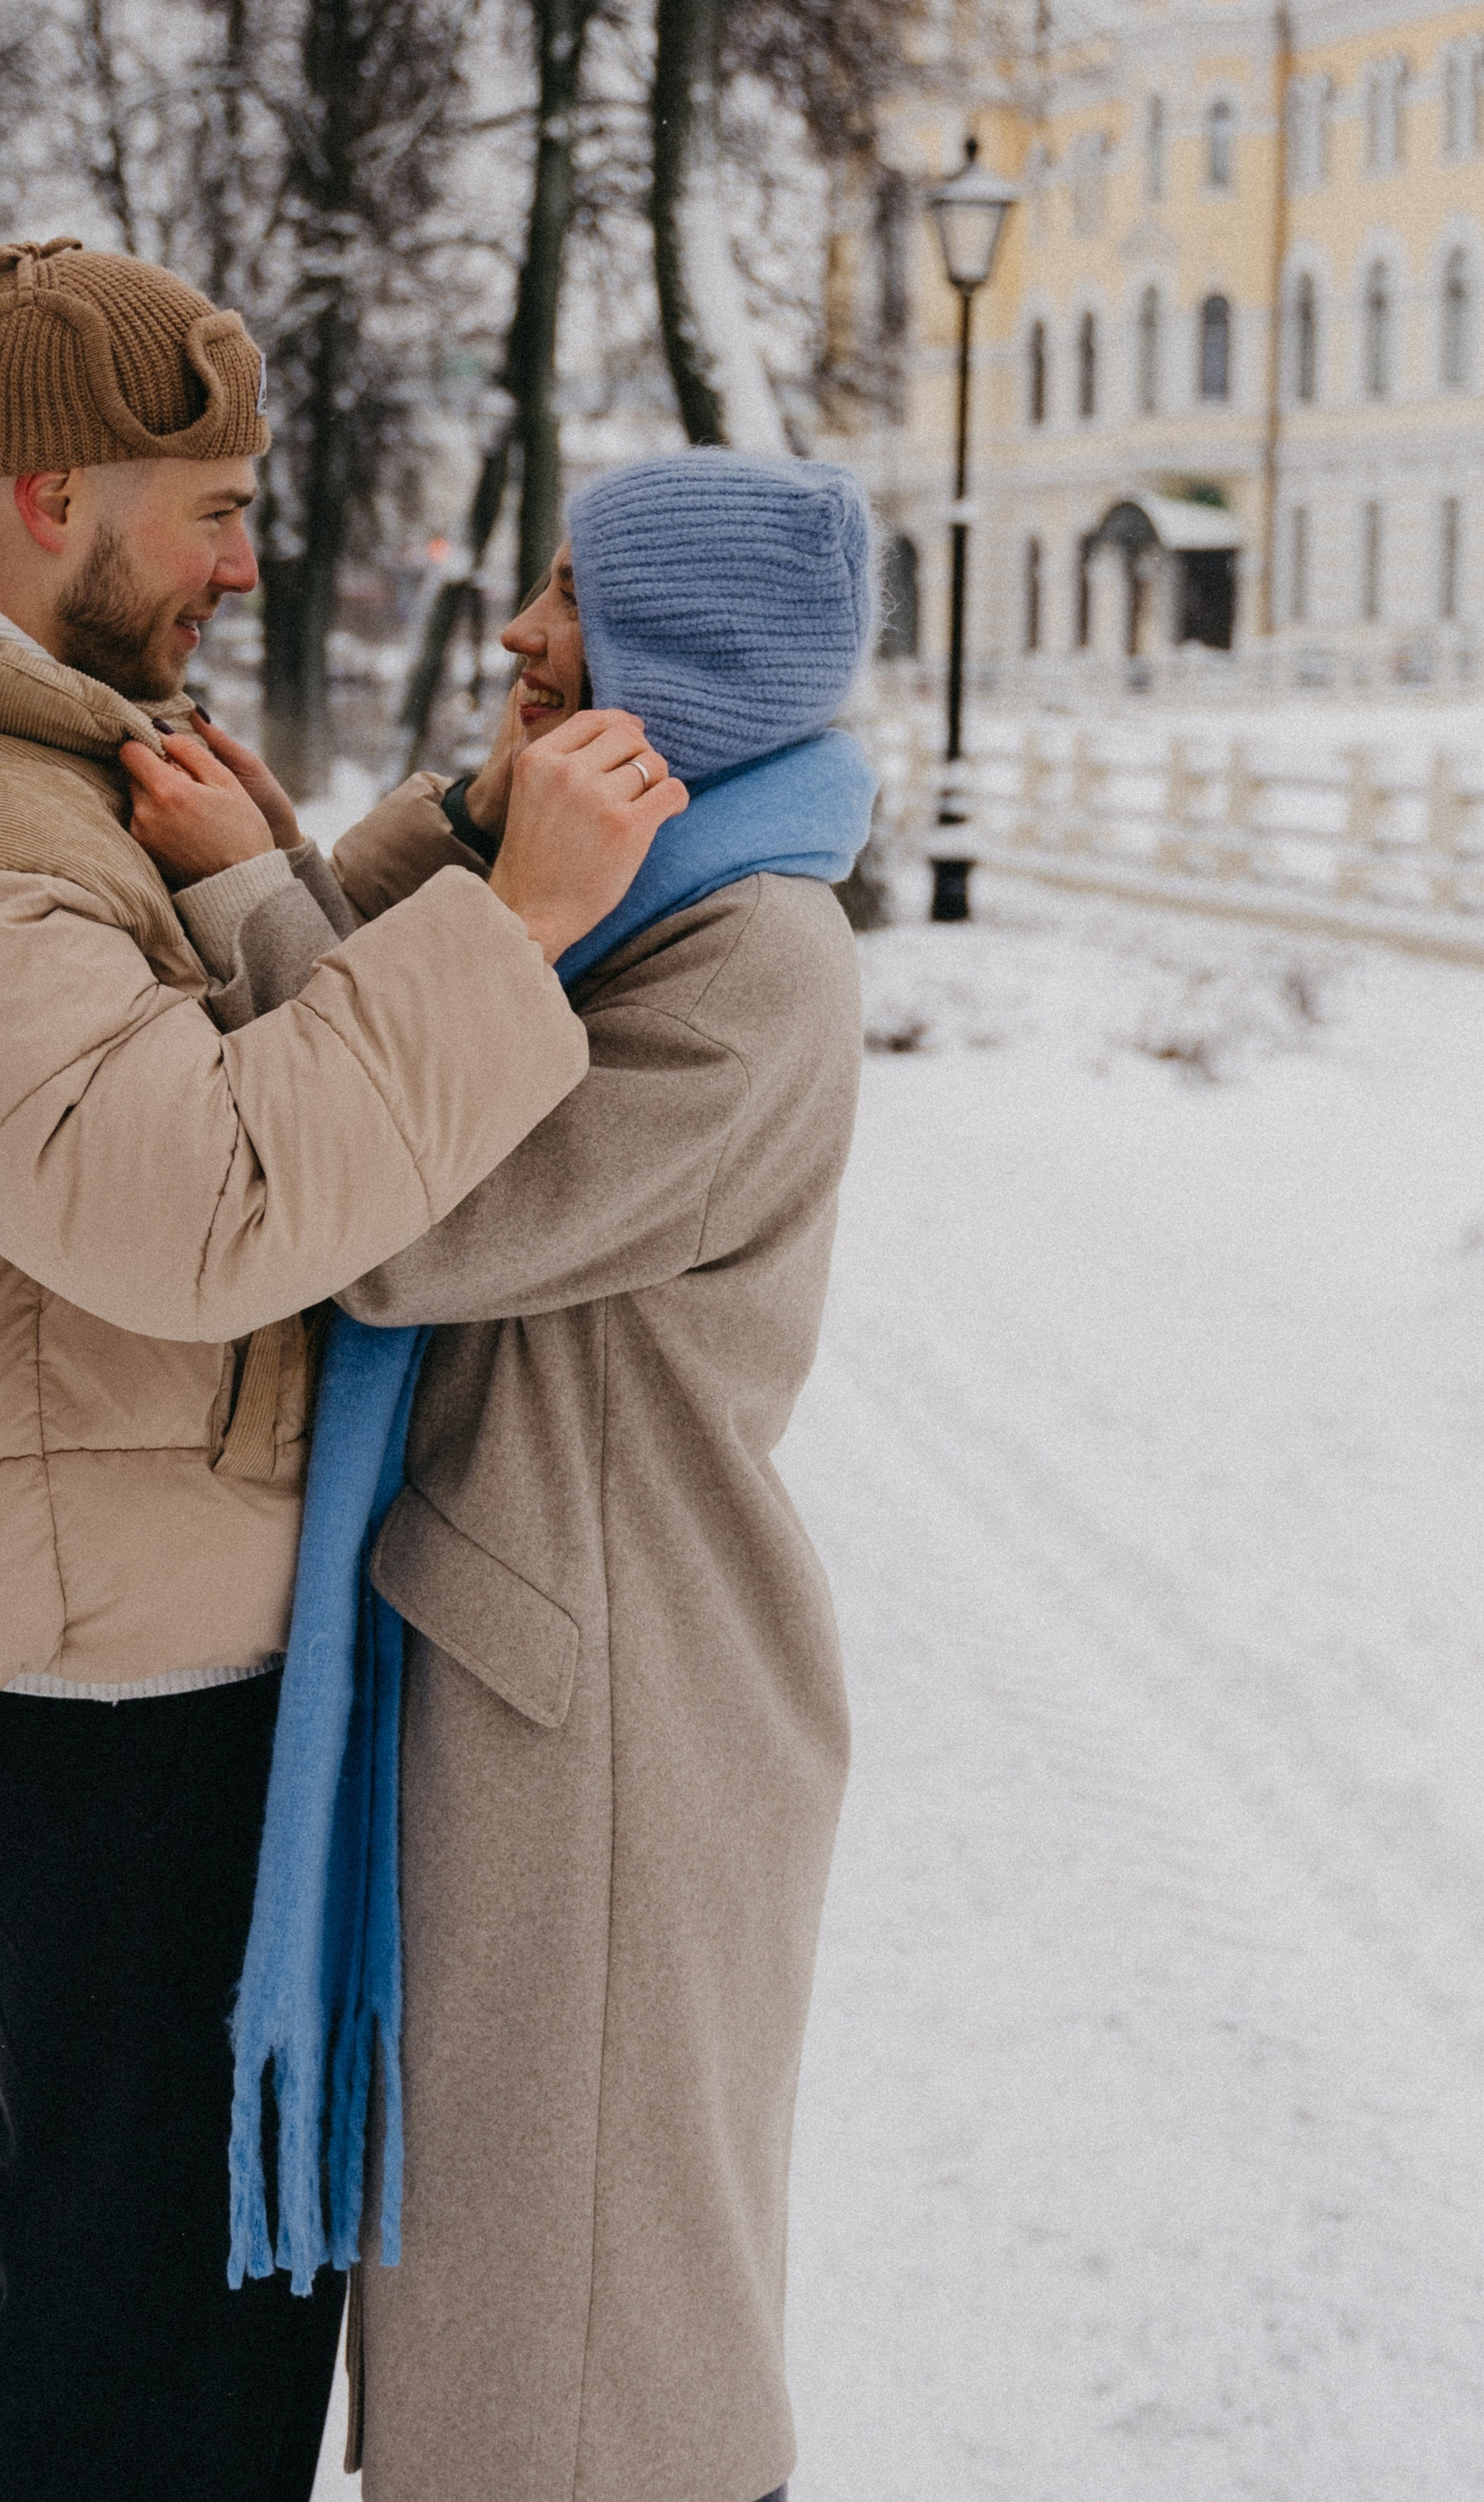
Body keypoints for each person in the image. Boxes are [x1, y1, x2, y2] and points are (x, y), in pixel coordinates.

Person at [0, 237, 683, 2502]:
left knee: (161, 2271)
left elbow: (162, 994)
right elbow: (210, 1202)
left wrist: (445, 835)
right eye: (217, 510)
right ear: (55, 495)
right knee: (150, 2325)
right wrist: (522, 928)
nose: (243, 566)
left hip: (120, 1619)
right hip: (101, 1666)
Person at [142, 450, 877, 2502]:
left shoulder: (746, 966)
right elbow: (399, 1013)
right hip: (548, 1674)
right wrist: (462, 818)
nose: (520, 637)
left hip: (625, 1714)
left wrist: (244, 889)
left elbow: (389, 1194)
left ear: (685, 676)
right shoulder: (622, 914)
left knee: (584, 2368)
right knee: (513, 2329)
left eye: (571, 604)